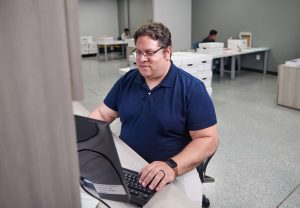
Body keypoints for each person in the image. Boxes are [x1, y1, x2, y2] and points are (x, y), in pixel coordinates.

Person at [90, 22, 218, 206]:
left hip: (174, 170)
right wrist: (83, 138)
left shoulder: (191, 89)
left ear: (167, 52)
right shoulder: (128, 80)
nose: (141, 59)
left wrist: (171, 166)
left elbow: (208, 139)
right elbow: (103, 114)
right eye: (138, 52)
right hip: (130, 164)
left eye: (149, 53)